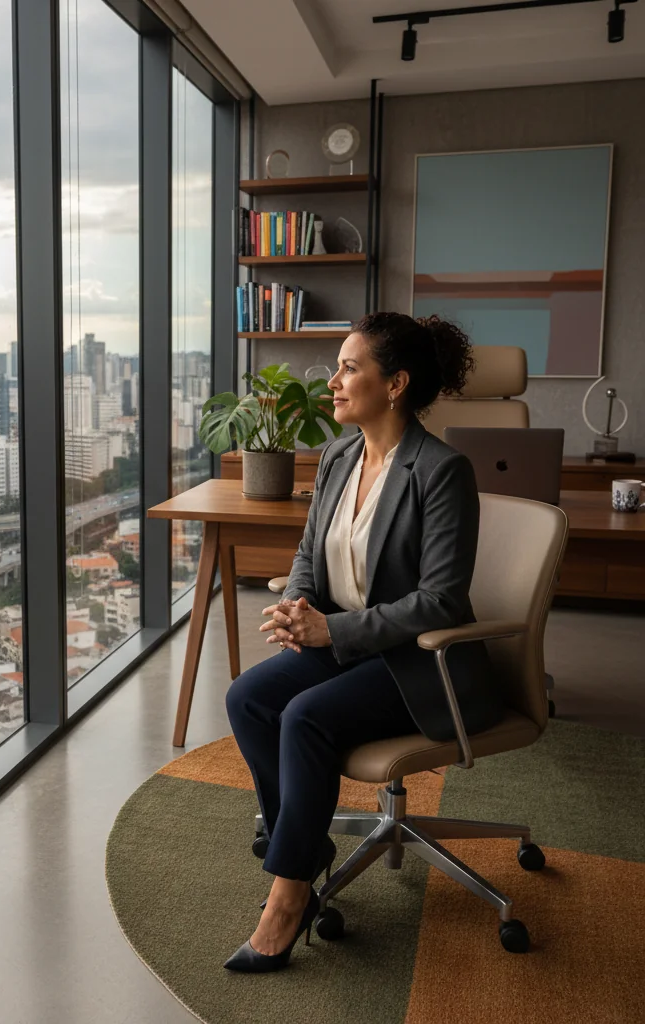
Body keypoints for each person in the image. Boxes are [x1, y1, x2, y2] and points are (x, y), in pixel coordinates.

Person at [222, 311, 505, 973]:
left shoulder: (441, 472)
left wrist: (331, 629)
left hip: (417, 661)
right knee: (248, 700)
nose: (335, 383)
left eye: (351, 368)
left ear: (396, 383)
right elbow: (308, 551)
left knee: (305, 716)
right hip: (344, 642)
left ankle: (286, 897)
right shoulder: (340, 455)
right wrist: (297, 604)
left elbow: (441, 600)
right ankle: (305, 843)